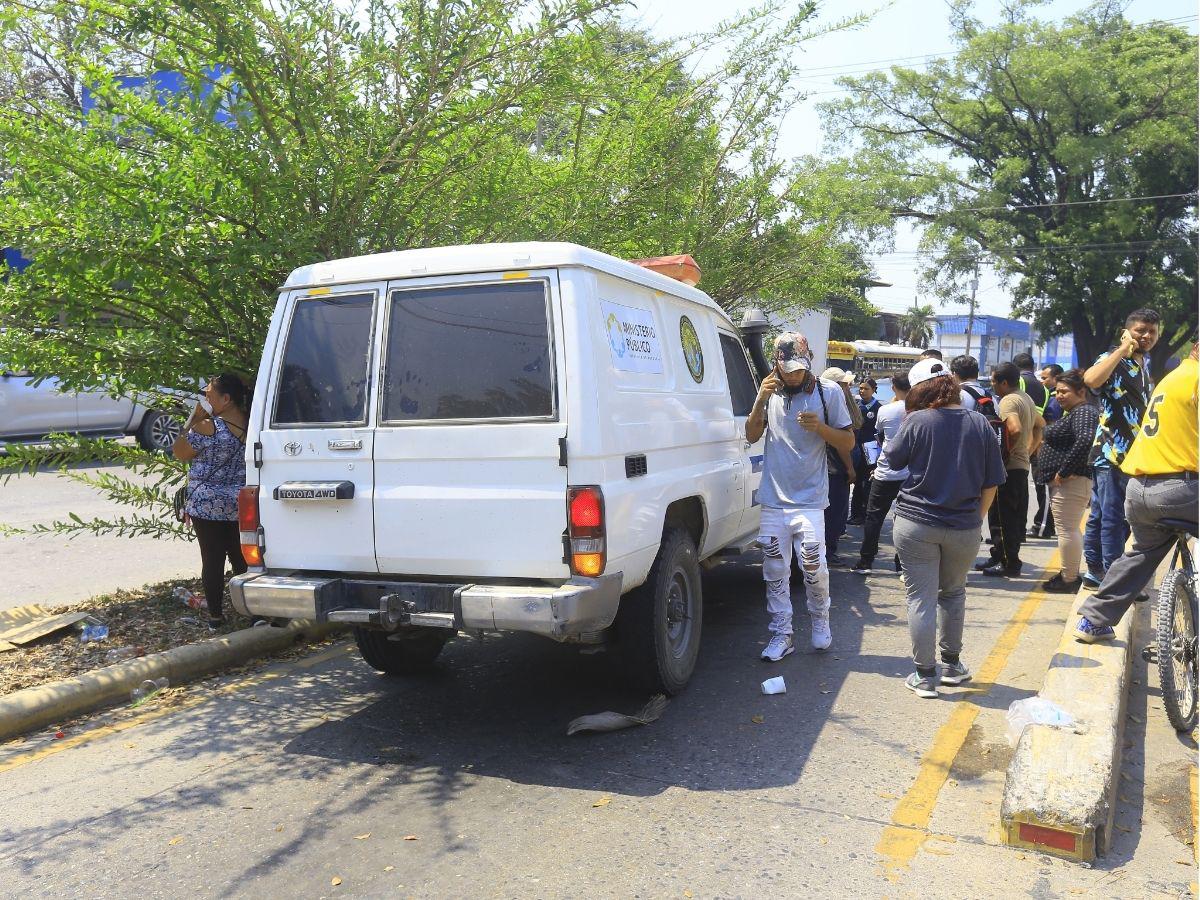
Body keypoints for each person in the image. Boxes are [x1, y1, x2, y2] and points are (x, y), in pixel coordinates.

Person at [882, 358, 1006, 697]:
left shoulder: (917, 420)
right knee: (953, 593)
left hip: (915, 523)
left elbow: (892, 459)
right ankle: (952, 665)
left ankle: (924, 677)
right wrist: (975, 520)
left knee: (919, 597)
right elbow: (991, 483)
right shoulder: (980, 424)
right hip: (964, 526)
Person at [1076, 340, 1198, 643]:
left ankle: (1093, 621)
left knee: (1142, 553)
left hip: (1139, 490)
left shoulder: (1174, 377)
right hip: (1180, 489)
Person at [747, 334, 854, 660]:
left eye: (799, 369)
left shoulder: (828, 391)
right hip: (774, 499)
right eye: (788, 369)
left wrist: (820, 429)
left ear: (809, 363)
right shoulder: (769, 390)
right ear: (777, 364)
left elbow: (848, 442)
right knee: (774, 567)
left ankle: (820, 620)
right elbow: (751, 434)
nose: (794, 375)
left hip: (809, 499)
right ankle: (782, 633)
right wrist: (759, 402)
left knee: (813, 563)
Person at [1081, 309, 1160, 587]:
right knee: (1114, 519)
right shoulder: (1114, 358)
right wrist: (1123, 348)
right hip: (1111, 453)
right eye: (1140, 330)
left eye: (1152, 331)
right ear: (1127, 331)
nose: (1146, 336)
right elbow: (1090, 380)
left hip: (1132, 456)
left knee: (1104, 516)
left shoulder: (1142, 365)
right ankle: (1112, 578)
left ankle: (1095, 570)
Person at [172, 373, 251, 631]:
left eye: (209, 395)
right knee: (242, 559)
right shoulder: (251, 425)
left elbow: (180, 452)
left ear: (225, 399)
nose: (205, 400)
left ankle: (216, 617)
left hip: (207, 505)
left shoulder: (207, 427)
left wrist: (193, 419)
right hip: (241, 503)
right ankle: (251, 611)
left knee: (213, 561)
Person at [1034, 370, 1100, 593]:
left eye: (1064, 392)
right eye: (1056, 392)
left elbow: (1086, 440)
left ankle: (1069, 579)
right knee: (1067, 530)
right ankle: (1067, 574)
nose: (1059, 396)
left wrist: (1065, 471)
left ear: (1081, 392)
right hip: (1069, 483)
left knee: (1067, 530)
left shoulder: (1084, 412)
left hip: (1071, 482)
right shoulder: (1075, 412)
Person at [978, 362, 1043, 577]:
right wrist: (1029, 449)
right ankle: (1000, 555)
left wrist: (1004, 455)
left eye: (994, 381)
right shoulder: (1026, 398)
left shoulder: (1008, 400)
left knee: (1001, 518)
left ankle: (1008, 562)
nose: (992, 385)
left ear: (1004, 382)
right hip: (1021, 464)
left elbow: (1014, 429)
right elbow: (1039, 425)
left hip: (1010, 467)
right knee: (1012, 516)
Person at [851, 374, 910, 574]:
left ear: (893, 387)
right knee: (905, 519)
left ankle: (866, 561)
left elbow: (880, 437)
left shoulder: (885, 410)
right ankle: (901, 564)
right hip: (909, 474)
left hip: (885, 471)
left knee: (873, 516)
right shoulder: (919, 410)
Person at [1014, 352, 1059, 540]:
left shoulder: (1020, 384)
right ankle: (1034, 526)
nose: (1043, 381)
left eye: (1046, 378)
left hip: (1030, 442)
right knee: (1034, 487)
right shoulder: (1045, 391)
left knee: (1040, 488)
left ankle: (1042, 527)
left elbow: (1038, 420)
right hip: (1036, 441)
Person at [820, 367, 861, 567]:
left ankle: (829, 550)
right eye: (845, 384)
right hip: (835, 468)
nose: (849, 386)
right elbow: (841, 444)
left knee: (837, 512)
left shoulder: (837, 402)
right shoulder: (832, 404)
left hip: (836, 468)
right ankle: (827, 553)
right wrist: (850, 468)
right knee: (834, 513)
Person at [848, 377, 883, 526]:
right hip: (856, 446)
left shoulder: (879, 408)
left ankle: (866, 513)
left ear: (874, 390)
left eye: (866, 388)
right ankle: (855, 513)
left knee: (867, 482)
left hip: (871, 447)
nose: (862, 391)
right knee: (856, 480)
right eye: (860, 388)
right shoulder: (856, 405)